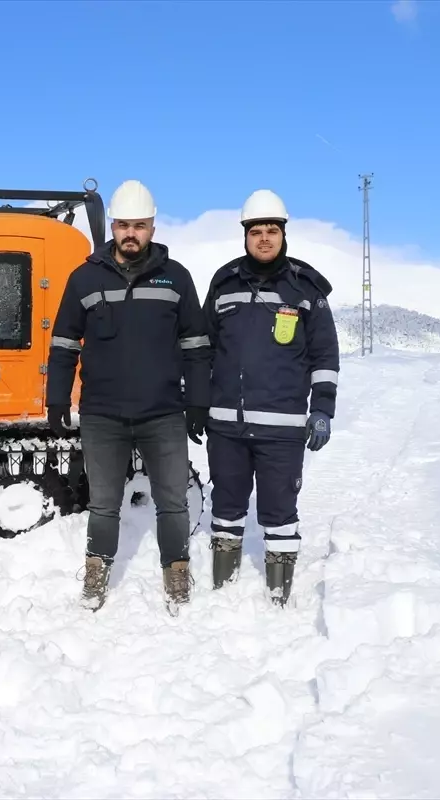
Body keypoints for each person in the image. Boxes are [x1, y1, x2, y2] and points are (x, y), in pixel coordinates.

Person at [46, 179, 212, 614]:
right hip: (103, 414)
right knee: (103, 503)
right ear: (113, 228)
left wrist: (196, 401)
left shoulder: (176, 279)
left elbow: (196, 345)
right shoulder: (84, 277)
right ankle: (97, 569)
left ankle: (175, 568)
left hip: (163, 413)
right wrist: (57, 399)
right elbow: (64, 343)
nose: (130, 233)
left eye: (139, 225)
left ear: (152, 227)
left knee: (173, 501)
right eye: (123, 225)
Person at [201, 189, 339, 606]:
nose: (264, 238)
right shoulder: (224, 284)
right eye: (256, 231)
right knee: (225, 506)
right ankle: (224, 587)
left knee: (279, 510)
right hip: (226, 424)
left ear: (283, 234)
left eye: (271, 231)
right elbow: (203, 348)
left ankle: (278, 594)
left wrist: (322, 410)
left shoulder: (305, 289)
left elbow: (324, 356)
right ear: (245, 235)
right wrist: (194, 402)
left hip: (282, 428)